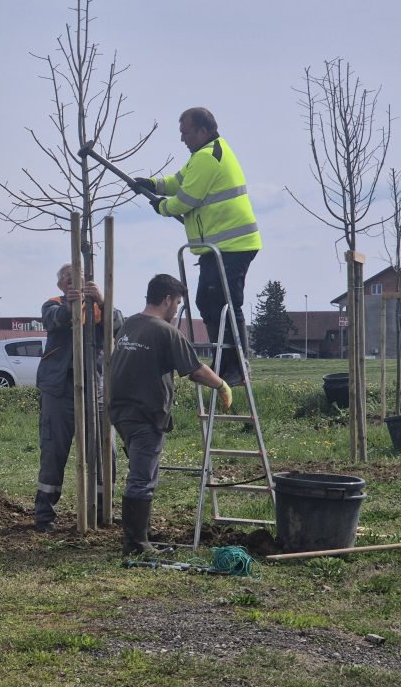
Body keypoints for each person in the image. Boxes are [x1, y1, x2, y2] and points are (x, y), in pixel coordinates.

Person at [109, 273, 233, 555]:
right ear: (167, 300)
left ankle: (140, 534)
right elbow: (195, 370)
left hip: (121, 412)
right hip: (145, 413)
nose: (177, 309)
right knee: (142, 477)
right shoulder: (165, 331)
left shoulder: (130, 324)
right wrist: (222, 385)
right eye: (176, 303)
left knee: (142, 472)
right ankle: (136, 544)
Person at [136, 107, 261, 385]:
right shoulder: (201, 156)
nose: (183, 139)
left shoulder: (209, 157)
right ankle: (224, 362)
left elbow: (186, 199)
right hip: (217, 246)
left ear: (203, 131)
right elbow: (177, 183)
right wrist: (153, 184)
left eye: (186, 132)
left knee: (227, 303)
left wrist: (162, 206)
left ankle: (238, 367)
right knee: (207, 301)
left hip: (233, 245)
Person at [34, 263, 122, 533]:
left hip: (95, 387)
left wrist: (102, 300)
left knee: (104, 450)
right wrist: (71, 305)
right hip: (59, 390)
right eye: (70, 282)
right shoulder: (54, 304)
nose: (76, 286)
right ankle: (44, 514)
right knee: (53, 452)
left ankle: (100, 508)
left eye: (81, 280)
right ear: (62, 285)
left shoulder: (99, 306)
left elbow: (118, 325)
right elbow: (54, 319)